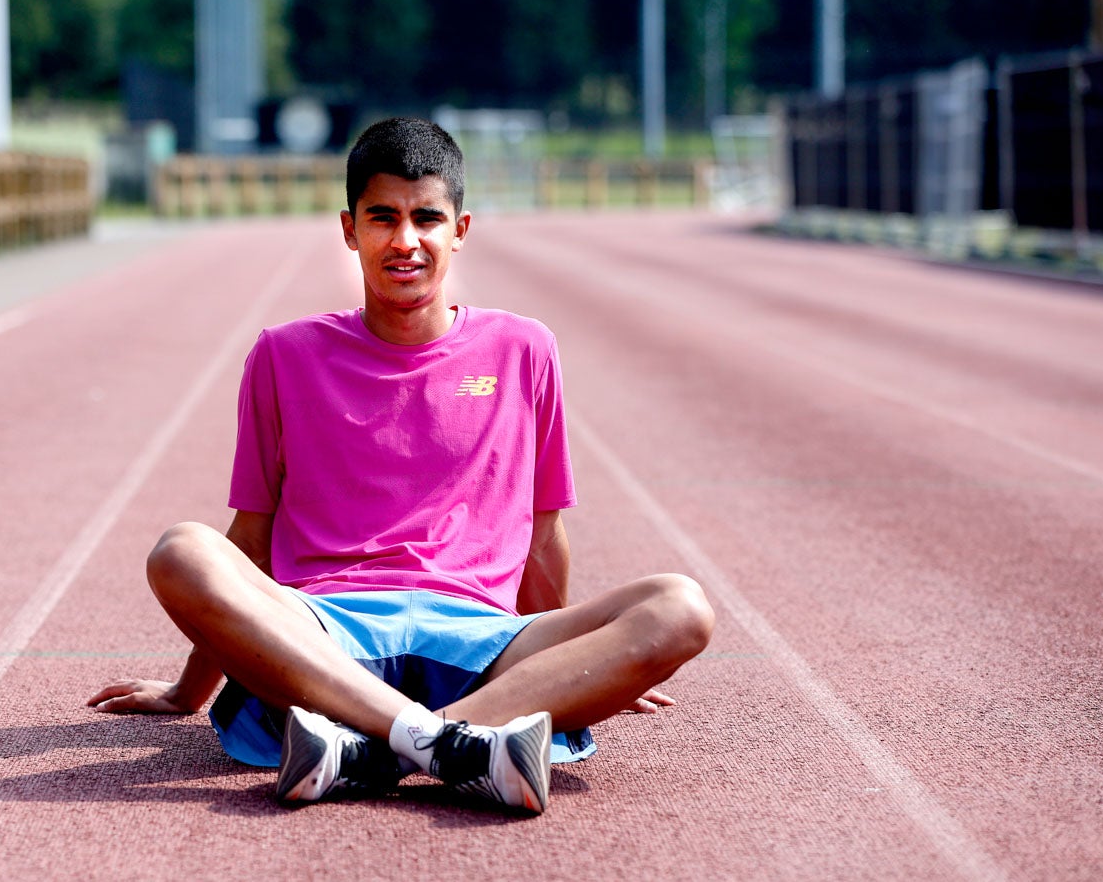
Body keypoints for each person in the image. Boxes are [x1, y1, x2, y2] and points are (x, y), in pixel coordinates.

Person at [87, 117, 714, 814]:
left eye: (426, 219)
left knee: (679, 605)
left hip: (480, 639)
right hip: (324, 635)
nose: (405, 240)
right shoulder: (283, 355)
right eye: (382, 217)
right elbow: (250, 539)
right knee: (180, 550)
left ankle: (379, 747)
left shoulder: (524, 349)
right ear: (349, 229)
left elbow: (541, 536)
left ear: (460, 228)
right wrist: (189, 690)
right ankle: (454, 744)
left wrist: (575, 670)